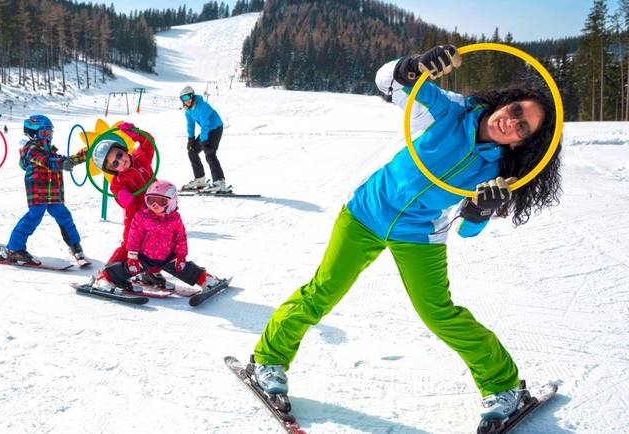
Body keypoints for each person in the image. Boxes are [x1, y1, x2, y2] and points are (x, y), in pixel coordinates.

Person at [248, 45, 562, 423]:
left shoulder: (496, 170)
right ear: (504, 103)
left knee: (438, 314)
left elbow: (468, 231)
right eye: (515, 111)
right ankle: (267, 361)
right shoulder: (449, 109)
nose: (511, 122)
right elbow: (386, 80)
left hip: (420, 233)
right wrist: (413, 66)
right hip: (365, 212)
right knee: (322, 291)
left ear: (520, 143)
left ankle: (503, 385)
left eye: (523, 127)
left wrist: (481, 210)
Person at [88, 179, 224, 293]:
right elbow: (134, 237)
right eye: (150, 200)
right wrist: (132, 257)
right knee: (128, 268)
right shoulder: (142, 217)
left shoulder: (175, 219)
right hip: (144, 257)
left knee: (183, 268)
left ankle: (205, 279)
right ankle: (103, 278)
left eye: (161, 201)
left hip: (167, 257)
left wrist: (181, 256)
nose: (155, 205)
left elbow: (181, 238)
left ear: (171, 202)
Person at [1, 114, 88, 264]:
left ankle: (75, 246)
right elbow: (47, 161)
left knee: (64, 216)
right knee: (34, 216)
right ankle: (14, 248)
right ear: (33, 133)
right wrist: (62, 163)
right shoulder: (31, 149)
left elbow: (63, 161)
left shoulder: (50, 150)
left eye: (50, 133)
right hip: (38, 192)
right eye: (45, 133)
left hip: (54, 193)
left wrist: (83, 155)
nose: (49, 136)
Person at [91, 122, 169, 288]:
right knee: (129, 246)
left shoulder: (141, 157)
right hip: (135, 218)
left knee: (157, 242)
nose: (121, 162)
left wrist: (136, 133)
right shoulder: (118, 181)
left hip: (155, 212)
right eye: (115, 164)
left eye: (119, 155)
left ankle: (150, 273)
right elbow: (119, 195)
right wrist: (124, 197)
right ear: (112, 170)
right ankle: (107, 274)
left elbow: (149, 142)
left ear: (123, 149)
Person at [179, 85, 229, 193]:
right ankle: (200, 179)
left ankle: (219, 182)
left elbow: (205, 124)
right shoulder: (188, 110)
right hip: (206, 131)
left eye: (187, 97)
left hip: (215, 129)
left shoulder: (202, 107)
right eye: (183, 99)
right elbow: (190, 125)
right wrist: (191, 139)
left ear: (192, 96)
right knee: (192, 151)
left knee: (209, 153)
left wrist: (204, 140)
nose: (186, 101)